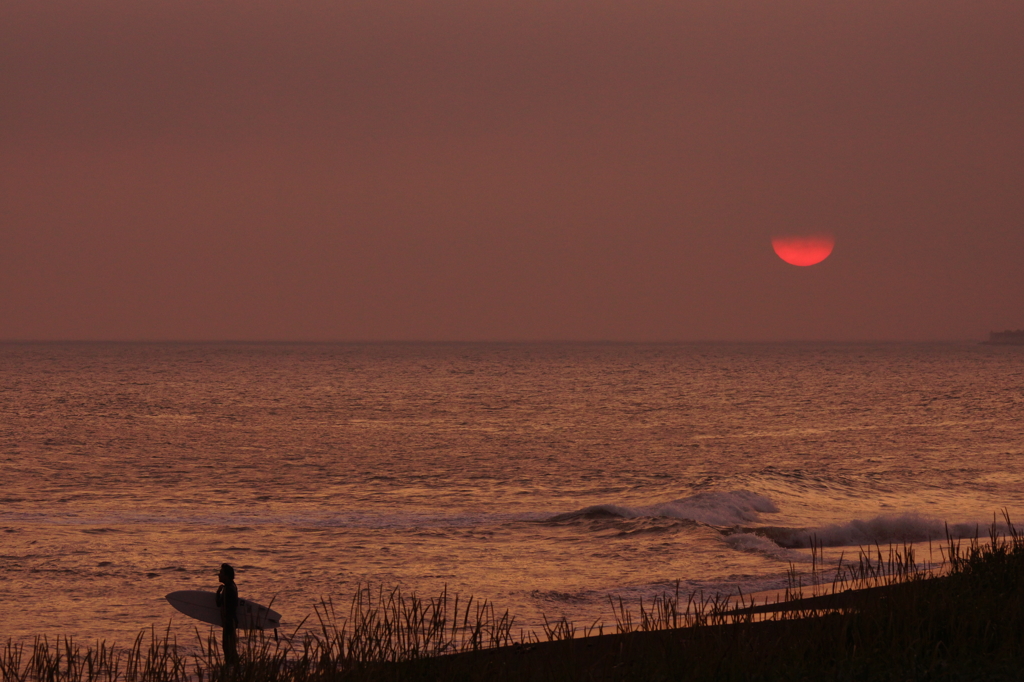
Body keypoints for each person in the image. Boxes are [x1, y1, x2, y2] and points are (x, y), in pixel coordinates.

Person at [215, 563, 239, 666]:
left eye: (221, 573)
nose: (219, 575)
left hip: (229, 623)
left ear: (227, 576)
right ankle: (233, 669)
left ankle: (233, 669)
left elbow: (219, 604)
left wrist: (218, 593)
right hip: (230, 622)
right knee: (230, 649)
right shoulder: (230, 586)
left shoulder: (229, 589)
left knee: (229, 649)